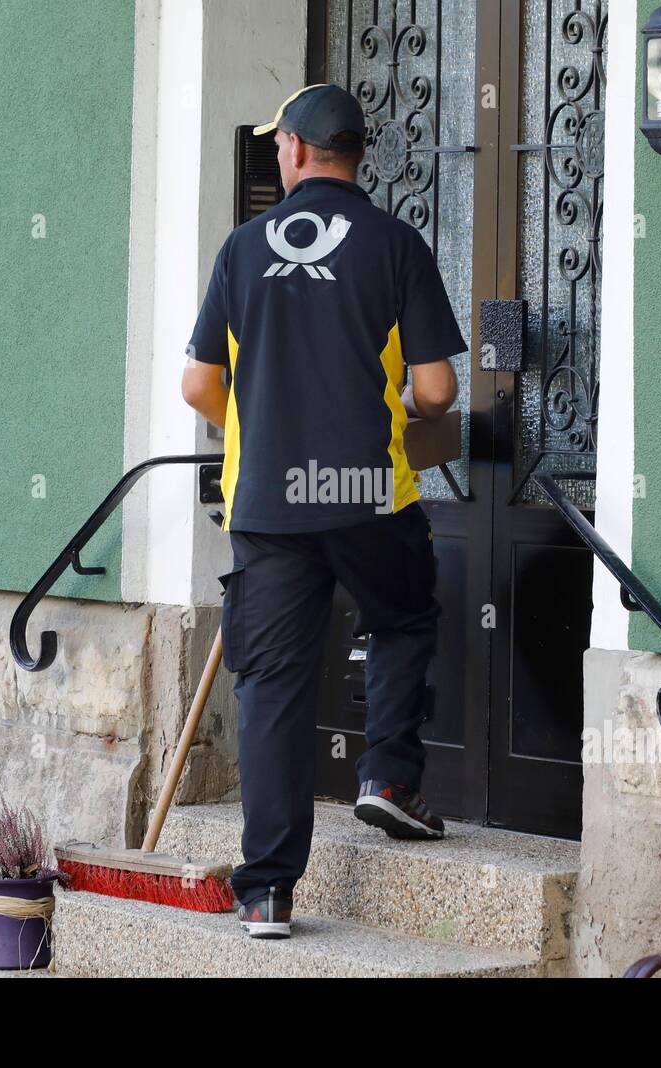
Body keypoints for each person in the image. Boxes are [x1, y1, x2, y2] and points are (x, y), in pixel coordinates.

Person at [181, 84, 464, 939]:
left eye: (278, 146)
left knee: (271, 685)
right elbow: (439, 390)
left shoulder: (239, 250)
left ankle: (267, 889)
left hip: (267, 502)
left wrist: (266, 421)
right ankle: (386, 779)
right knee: (404, 614)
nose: (276, 155)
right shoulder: (396, 244)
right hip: (364, 492)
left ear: (300, 151)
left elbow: (199, 384)